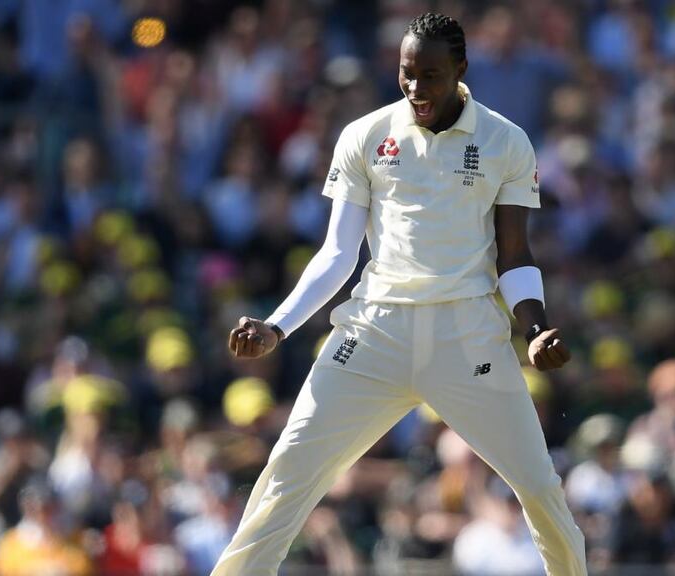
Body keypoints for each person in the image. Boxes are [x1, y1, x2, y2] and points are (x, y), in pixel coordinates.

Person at [212, 12, 587, 576]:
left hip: (468, 337)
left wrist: (534, 330)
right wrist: (277, 326)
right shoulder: (365, 135)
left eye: (430, 76)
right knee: (286, 473)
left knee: (539, 489)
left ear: (461, 69)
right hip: (374, 333)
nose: (416, 89)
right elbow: (339, 253)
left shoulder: (506, 141)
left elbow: (514, 254)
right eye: (407, 74)